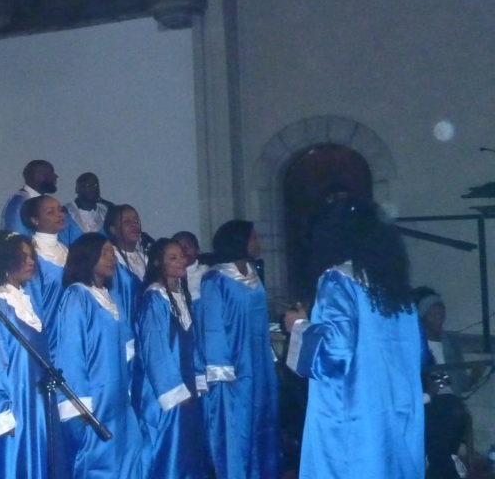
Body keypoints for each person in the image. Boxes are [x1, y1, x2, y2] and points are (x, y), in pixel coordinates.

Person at [284, 199, 424, 478]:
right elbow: (417, 350)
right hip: (397, 407)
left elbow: (335, 353)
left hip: (354, 412)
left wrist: (298, 325)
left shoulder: (338, 281)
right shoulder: (394, 287)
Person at [54, 233, 149, 479]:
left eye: (112, 253)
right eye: (105, 253)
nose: (112, 259)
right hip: (96, 398)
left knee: (127, 453)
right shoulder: (77, 296)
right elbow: (71, 354)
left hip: (117, 396)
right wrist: (80, 405)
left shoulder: (108, 296)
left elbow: (126, 347)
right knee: (98, 461)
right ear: (88, 257)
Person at [195, 219, 279, 479]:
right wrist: (222, 372)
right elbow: (212, 327)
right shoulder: (215, 279)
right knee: (238, 430)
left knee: (262, 424)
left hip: (259, 363)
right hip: (235, 370)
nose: (257, 242)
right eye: (253, 237)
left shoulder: (252, 273)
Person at [0, 231, 53, 479]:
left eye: (31, 256)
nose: (30, 261)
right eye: (22, 256)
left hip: (34, 405)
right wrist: (0, 413)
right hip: (15, 408)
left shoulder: (27, 301)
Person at [133, 238, 206, 479]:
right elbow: (155, 350)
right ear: (158, 263)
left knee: (187, 448)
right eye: (172, 257)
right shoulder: (155, 298)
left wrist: (197, 378)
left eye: (181, 256)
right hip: (165, 391)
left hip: (186, 384)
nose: (181, 260)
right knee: (168, 449)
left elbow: (192, 342)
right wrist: (174, 391)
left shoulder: (181, 295)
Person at [413, 287, 473, 479]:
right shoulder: (416, 343)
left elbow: (462, 384)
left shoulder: (451, 343)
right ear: (423, 317)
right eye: (434, 313)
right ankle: (447, 461)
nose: (439, 317)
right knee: (446, 412)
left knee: (453, 409)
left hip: (450, 398)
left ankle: (440, 462)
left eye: (441, 312)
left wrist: (475, 375)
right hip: (427, 398)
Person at [21, 194, 69, 345]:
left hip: (68, 332)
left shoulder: (66, 251)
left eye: (60, 209)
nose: (59, 215)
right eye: (50, 212)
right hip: (45, 334)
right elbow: (31, 301)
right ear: (35, 220)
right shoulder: (30, 254)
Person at [103, 204, 147, 327]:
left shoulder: (145, 259)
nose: (134, 225)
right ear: (113, 230)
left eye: (136, 221)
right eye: (126, 222)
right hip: (121, 325)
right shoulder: (110, 258)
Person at [0, 159, 58, 236]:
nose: (55, 177)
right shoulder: (19, 204)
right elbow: (17, 238)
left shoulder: (38, 200)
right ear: (35, 176)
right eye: (49, 174)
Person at [173, 230, 208, 301]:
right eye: (179, 247)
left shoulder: (206, 273)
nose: (183, 250)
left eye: (188, 246)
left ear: (197, 250)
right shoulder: (169, 276)